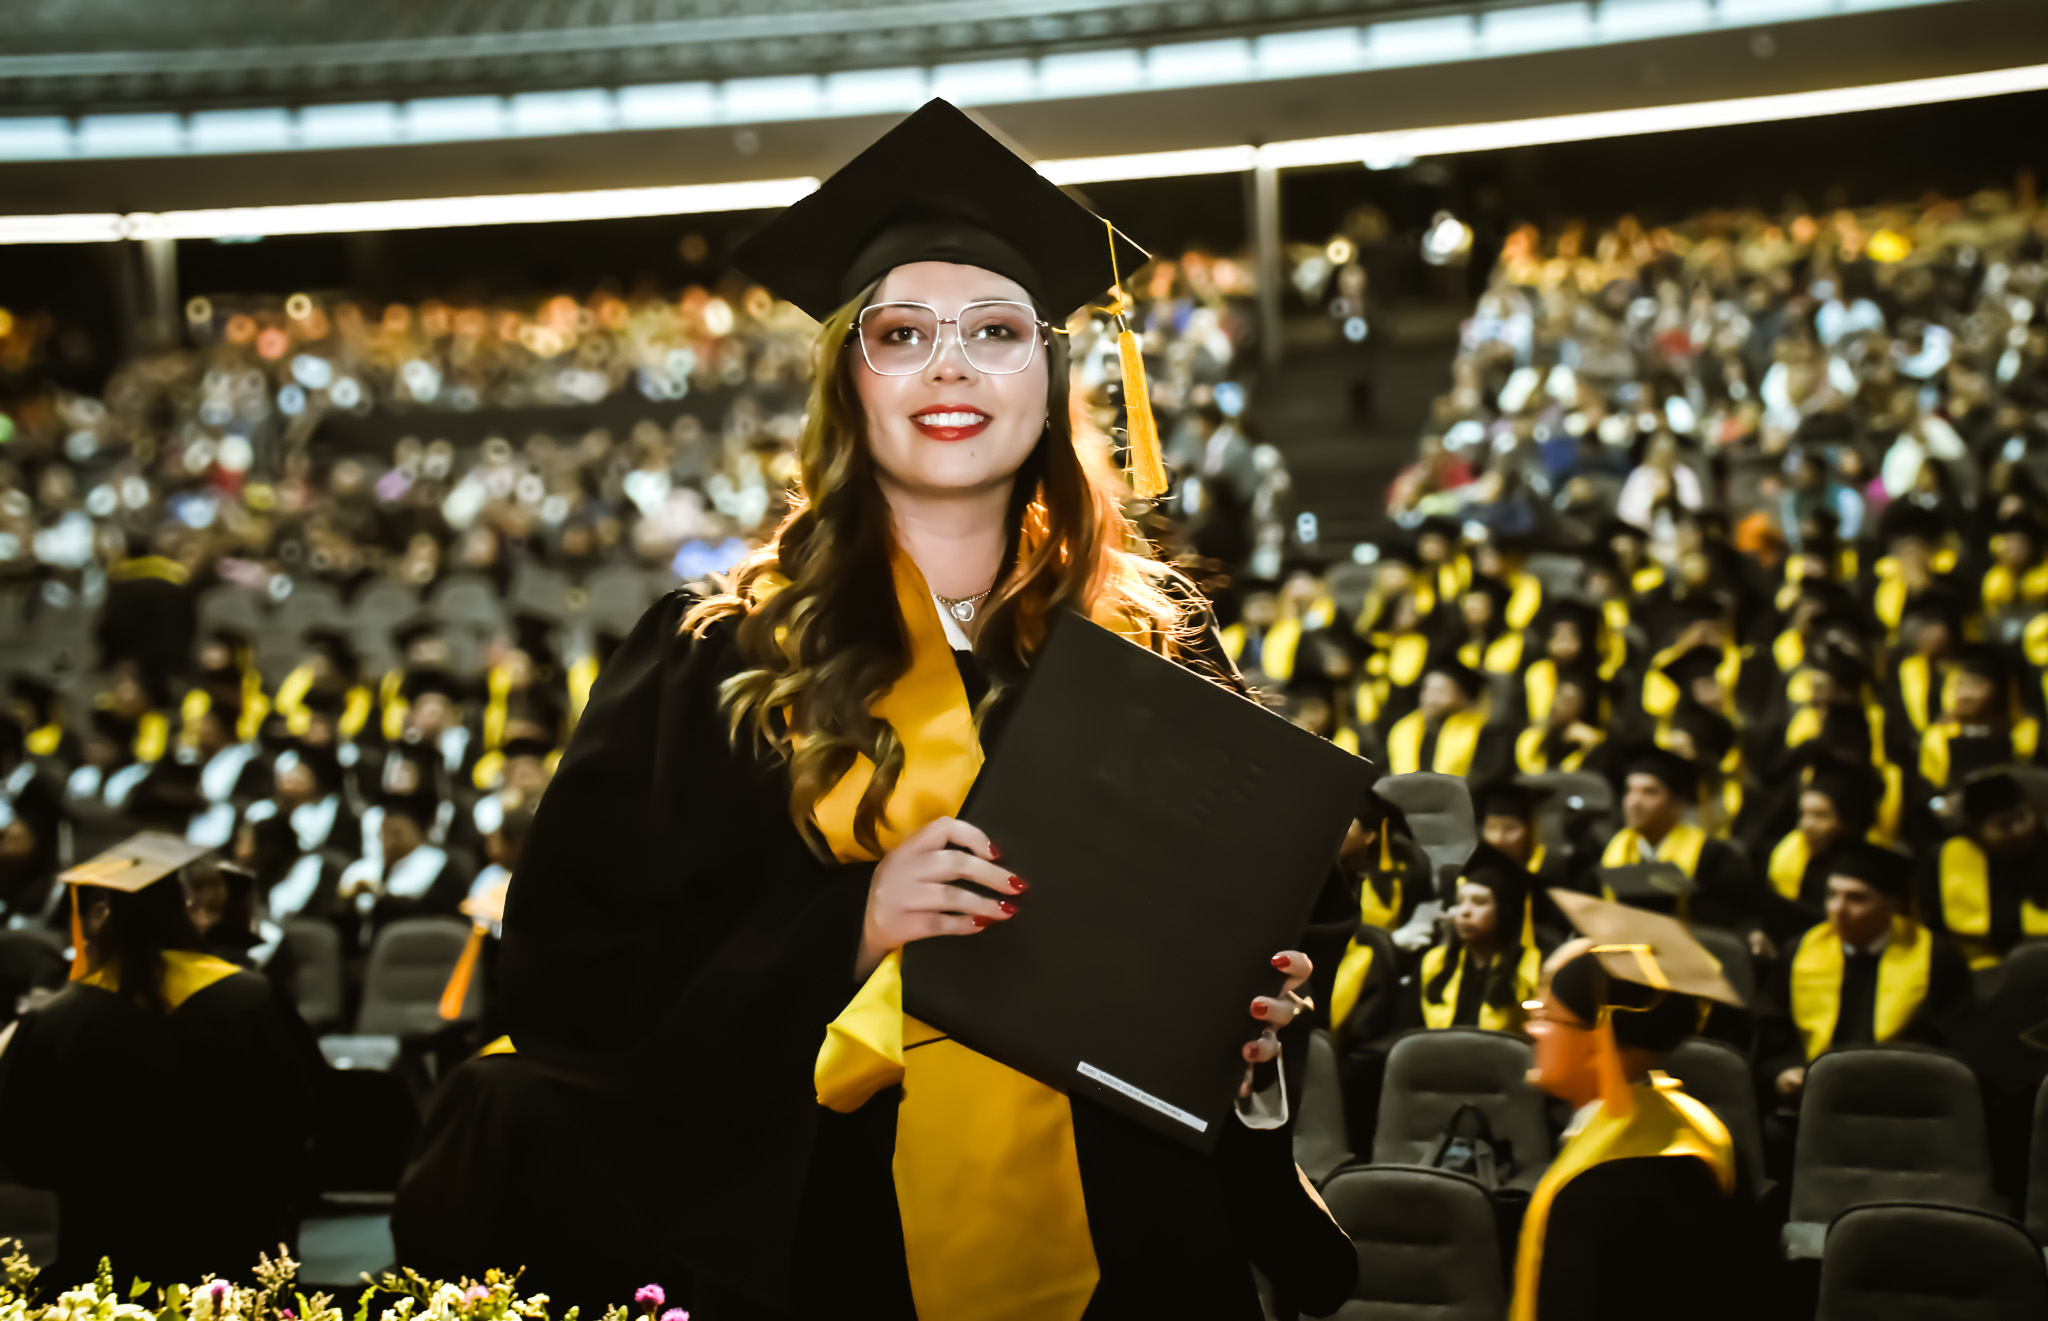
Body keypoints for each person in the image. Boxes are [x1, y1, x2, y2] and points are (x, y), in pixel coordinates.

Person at [497, 99, 1357, 1320]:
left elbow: (1265, 924)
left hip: (1143, 1248)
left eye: (995, 331)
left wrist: (1249, 1026)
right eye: (901, 333)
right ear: (847, 381)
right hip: (840, 1246)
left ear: (1050, 375)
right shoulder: (719, 656)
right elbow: (572, 987)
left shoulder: (1153, 643)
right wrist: (848, 929)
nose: (950, 365)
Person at [0, 834, 322, 1288]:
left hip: (104, 1241)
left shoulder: (58, 1018)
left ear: (103, 917)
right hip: (231, 1234)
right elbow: (301, 1112)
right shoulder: (251, 1000)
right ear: (185, 909)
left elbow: (25, 1149)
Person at [1513, 894, 1753, 1320]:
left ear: (1596, 1046)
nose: (1531, 1029)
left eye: (1547, 1016)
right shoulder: (1705, 1130)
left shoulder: (1599, 1193)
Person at [1759, 843, 1971, 1106]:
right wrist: (1783, 1071)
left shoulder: (1935, 956)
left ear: (1893, 904)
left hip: (1904, 1098)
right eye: (1832, 894)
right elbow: (1774, 1028)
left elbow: (1947, 1036)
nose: (1838, 908)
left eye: (1857, 898)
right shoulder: (1798, 950)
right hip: (1812, 1095)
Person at [1599, 747, 1762, 932]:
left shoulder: (1712, 856)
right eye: (1629, 791)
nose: (1633, 802)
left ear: (1678, 803)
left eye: (1649, 792)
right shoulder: (1612, 850)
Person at [1926, 771, 2048, 967]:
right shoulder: (1952, 857)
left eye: (2022, 817)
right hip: (1984, 965)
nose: (2018, 829)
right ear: (1977, 830)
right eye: (2003, 825)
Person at [1418, 843, 1542, 1032]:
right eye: (1460, 901)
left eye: (1479, 902)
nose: (1464, 912)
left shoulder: (1531, 969)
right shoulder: (1435, 963)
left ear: (1504, 911)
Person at [1382, 652, 1499, 778]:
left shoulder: (1484, 734)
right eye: (1427, 689)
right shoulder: (1404, 730)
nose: (1430, 698)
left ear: (1463, 697)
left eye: (1440, 691)